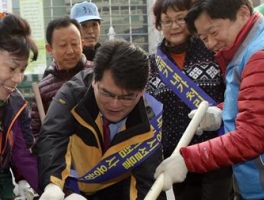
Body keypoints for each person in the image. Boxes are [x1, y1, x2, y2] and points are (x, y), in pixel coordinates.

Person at [153, 0, 264, 199]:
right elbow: (261, 104)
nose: (211, 44)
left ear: (242, 14)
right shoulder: (250, 47)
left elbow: (250, 137)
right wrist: (221, 112)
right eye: (204, 38)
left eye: (213, 33)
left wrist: (187, 160)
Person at [34, 39, 166, 200]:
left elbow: (147, 183)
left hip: (117, 189)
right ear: (94, 81)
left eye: (126, 97)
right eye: (107, 93)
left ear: (142, 92)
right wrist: (53, 186)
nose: (115, 105)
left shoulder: (149, 121)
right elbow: (53, 136)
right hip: (71, 187)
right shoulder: (73, 94)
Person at [146, 0, 232, 199]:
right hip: (176, 157)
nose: (174, 26)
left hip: (215, 153)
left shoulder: (213, 52)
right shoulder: (152, 65)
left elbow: (236, 96)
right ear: (159, 25)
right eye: (166, 21)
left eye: (180, 19)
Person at [31, 16, 93, 139]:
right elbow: (35, 133)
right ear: (50, 49)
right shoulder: (42, 90)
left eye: (75, 44)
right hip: (59, 155)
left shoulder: (99, 75)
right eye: (63, 45)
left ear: (82, 43)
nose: (70, 51)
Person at [0, 12, 39, 199]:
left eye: (22, 70)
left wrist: (56, 189)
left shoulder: (16, 104)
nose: (17, 79)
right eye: (12, 68)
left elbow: (23, 154)